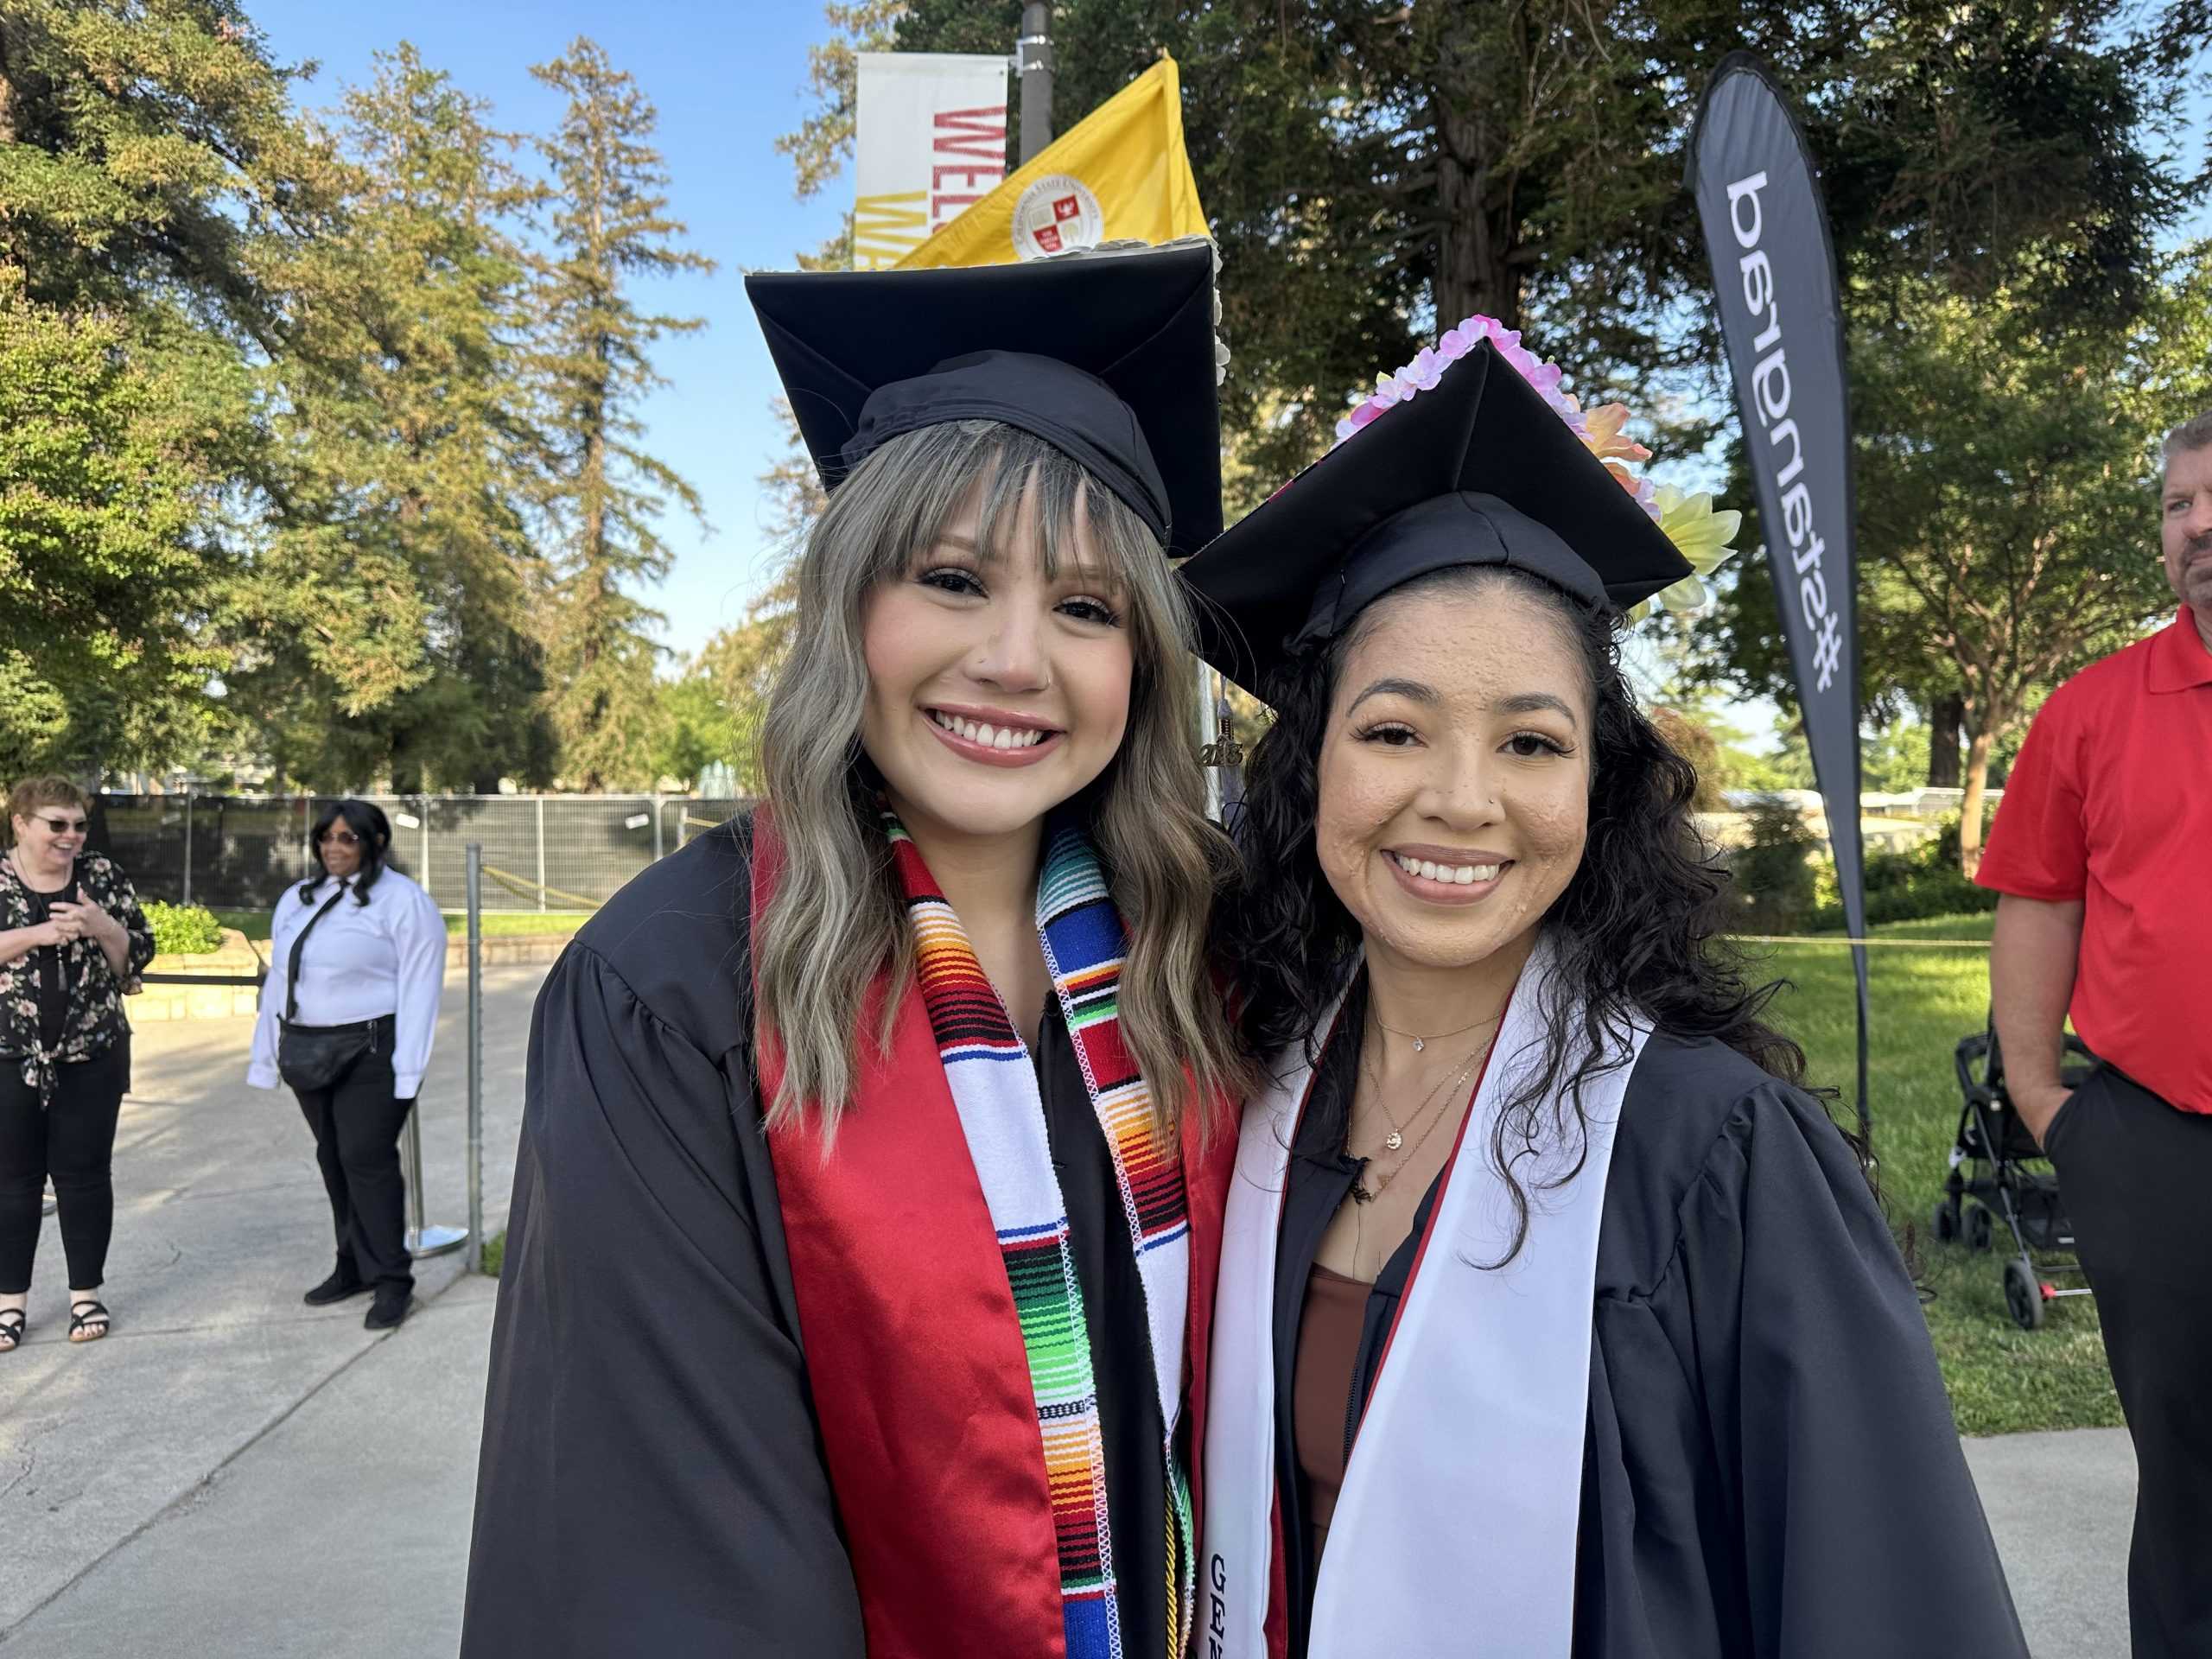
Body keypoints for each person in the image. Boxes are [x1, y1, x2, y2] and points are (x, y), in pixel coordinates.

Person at [1179, 327, 2027, 1656]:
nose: (1460, 801)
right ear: (1313, 771)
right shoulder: (1254, 1097)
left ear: (1600, 788)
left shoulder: (1715, 1154)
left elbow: (1884, 1599)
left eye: (1530, 741)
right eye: (1394, 730)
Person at [462, 245, 1254, 1658]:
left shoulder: (1203, 953)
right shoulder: (681, 986)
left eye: (1087, 608)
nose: (1017, 659)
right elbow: (665, 1542)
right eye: (952, 580)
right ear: (848, 610)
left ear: (1143, 668)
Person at [1977, 408, 2212, 1658]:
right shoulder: (2092, 710)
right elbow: (2039, 900)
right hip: (2153, 1139)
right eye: (2179, 506)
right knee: (2184, 1461)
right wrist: (2042, 1097)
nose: (2201, 525)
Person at [246, 798, 446, 1332]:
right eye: (326, 839)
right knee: (333, 1159)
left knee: (366, 1159)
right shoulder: (298, 898)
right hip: (307, 1049)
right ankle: (353, 1264)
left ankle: (392, 1281)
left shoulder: (403, 903)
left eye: (347, 839)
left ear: (375, 843)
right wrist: (264, 1056)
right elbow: (279, 984)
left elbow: (422, 987)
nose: (334, 848)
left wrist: (409, 1069)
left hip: (372, 1051)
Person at [0, 777, 154, 1351]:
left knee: (84, 1178)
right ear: (21, 822)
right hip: (8, 1053)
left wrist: (101, 925)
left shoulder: (102, 877)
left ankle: (85, 1294)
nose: (70, 836)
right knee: (12, 1183)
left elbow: (132, 955)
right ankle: (8, 1303)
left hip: (93, 1053)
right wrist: (40, 933)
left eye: (78, 825)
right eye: (56, 824)